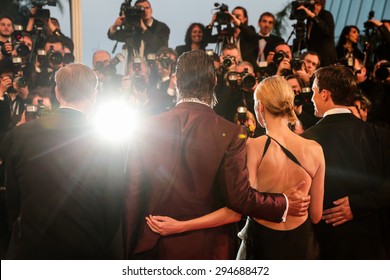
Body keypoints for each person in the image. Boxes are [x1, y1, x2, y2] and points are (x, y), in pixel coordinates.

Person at [124, 50, 311, 260]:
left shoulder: (143, 127)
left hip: (151, 248)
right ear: (214, 81)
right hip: (208, 250)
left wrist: (127, 251)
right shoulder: (232, 133)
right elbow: (239, 199)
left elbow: (132, 194)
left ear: (177, 82)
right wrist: (284, 203)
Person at [3, 63, 125, 259]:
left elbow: (13, 201)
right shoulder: (108, 141)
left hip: (31, 250)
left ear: (57, 92)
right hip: (87, 250)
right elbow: (114, 206)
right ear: (94, 95)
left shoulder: (20, 135)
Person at [302, 65, 390, 259]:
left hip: (326, 245)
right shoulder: (379, 135)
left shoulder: (306, 140)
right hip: (373, 247)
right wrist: (360, 205)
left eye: (314, 91)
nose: (312, 98)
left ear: (325, 94)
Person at [297, 0, 337, 66]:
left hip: (326, 58)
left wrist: (313, 16)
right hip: (314, 58)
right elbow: (310, 39)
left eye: (318, 5)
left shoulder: (326, 14)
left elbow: (328, 31)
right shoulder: (309, 19)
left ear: (322, 5)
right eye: (313, 4)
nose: (315, 7)